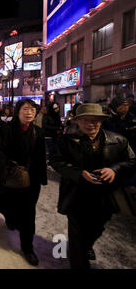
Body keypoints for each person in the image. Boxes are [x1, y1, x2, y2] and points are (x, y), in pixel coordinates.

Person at [49, 103, 135, 269]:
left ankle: (85, 246)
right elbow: (56, 161)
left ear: (102, 121)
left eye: (96, 120)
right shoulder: (66, 140)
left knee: (97, 228)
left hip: (105, 197)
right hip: (76, 195)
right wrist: (79, 174)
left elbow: (132, 161)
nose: (91, 124)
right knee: (77, 236)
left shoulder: (118, 141)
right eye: (86, 120)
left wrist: (114, 170)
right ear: (78, 121)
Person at [0, 99, 47, 266]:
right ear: (18, 111)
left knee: (28, 216)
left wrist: (41, 177)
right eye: (25, 109)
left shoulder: (38, 131)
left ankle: (27, 248)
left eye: (32, 109)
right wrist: (3, 174)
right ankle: (10, 218)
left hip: (31, 180)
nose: (29, 112)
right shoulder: (6, 129)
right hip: (11, 177)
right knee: (5, 206)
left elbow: (41, 157)